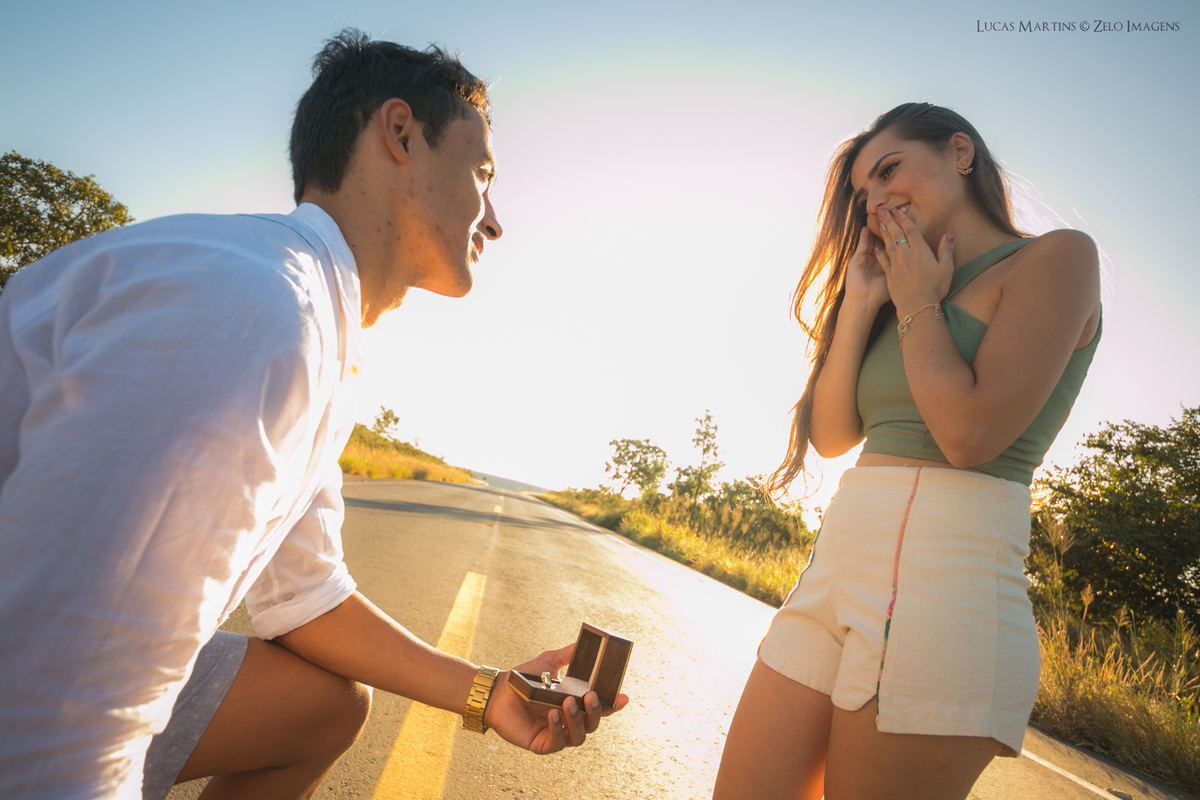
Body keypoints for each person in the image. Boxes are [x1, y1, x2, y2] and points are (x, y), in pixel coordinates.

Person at [0, 30, 626, 800]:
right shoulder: (258, 311)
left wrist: (485, 691)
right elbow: (51, 706)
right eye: (481, 172)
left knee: (325, 707)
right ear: (399, 133)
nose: (493, 220)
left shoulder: (305, 319)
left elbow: (304, 598)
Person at [712, 102, 1101, 800]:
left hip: (946, 589)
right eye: (863, 193)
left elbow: (969, 434)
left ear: (960, 152)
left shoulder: (1058, 258)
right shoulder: (896, 291)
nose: (876, 199)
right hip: (833, 574)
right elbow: (832, 436)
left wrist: (921, 300)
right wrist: (865, 299)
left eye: (889, 169)